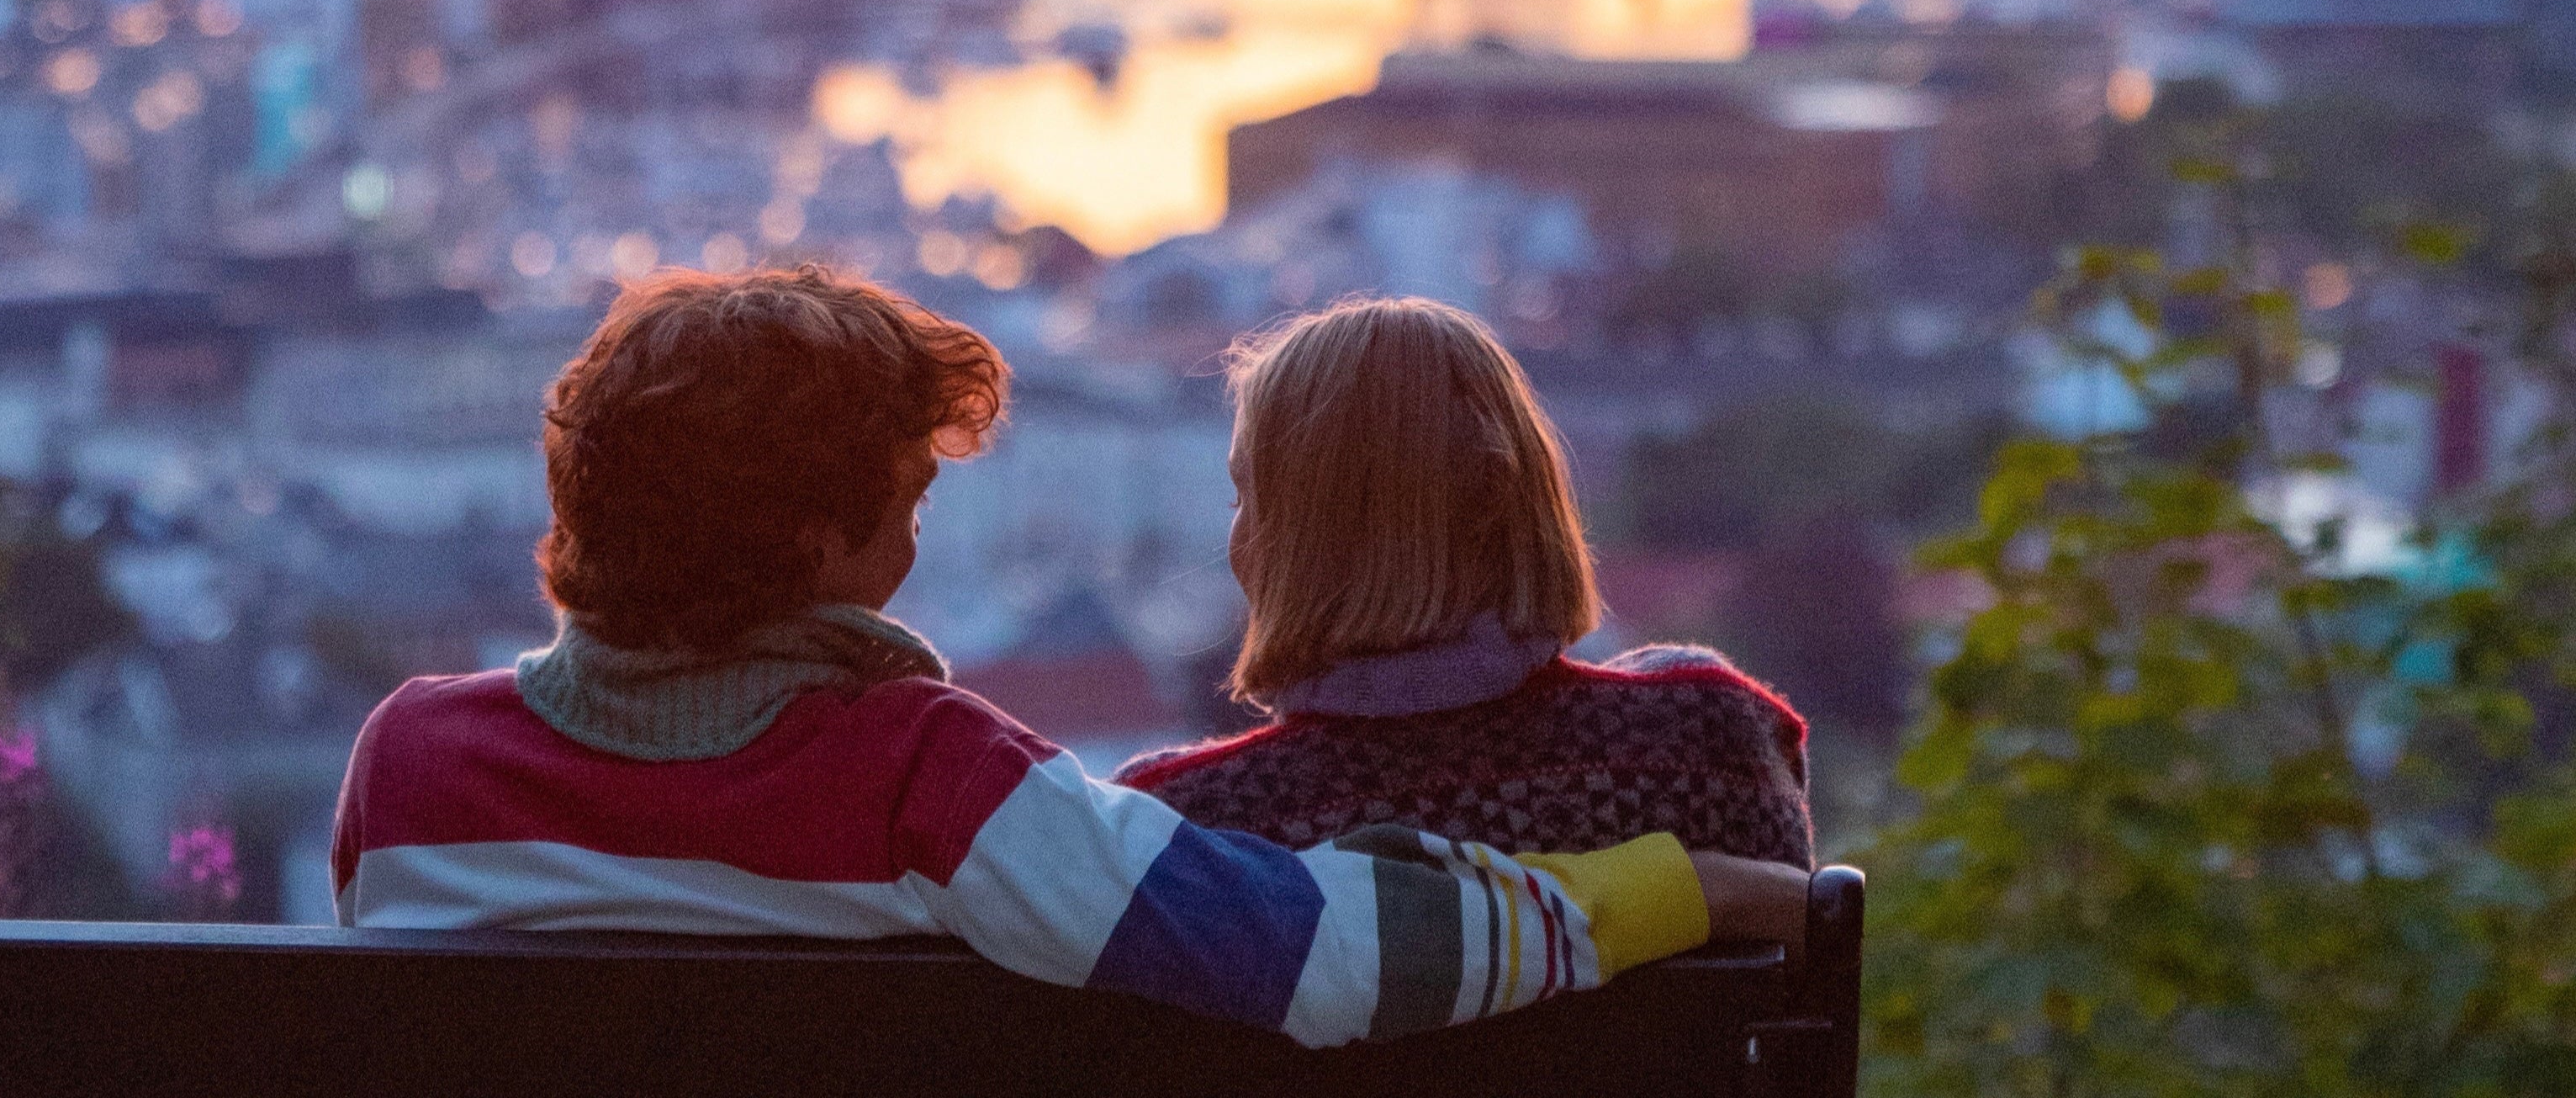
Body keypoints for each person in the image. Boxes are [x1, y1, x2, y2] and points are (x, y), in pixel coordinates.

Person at [332, 268, 1810, 1049]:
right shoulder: (930, 780)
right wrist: (1697, 888)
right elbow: (1339, 956)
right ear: (804, 545)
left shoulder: (407, 767)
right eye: (904, 508)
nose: (915, 550)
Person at [1115, 297, 1814, 870]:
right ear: (1528, 497)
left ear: (1300, 542)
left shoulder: (1184, 829)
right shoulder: (1706, 742)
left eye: (1245, 499)